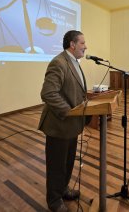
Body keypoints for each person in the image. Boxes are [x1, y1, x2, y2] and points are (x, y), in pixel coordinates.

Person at [38, 30, 90, 212]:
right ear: (72, 44)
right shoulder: (58, 62)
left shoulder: (74, 62)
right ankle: (54, 200)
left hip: (72, 125)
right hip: (59, 124)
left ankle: (63, 190)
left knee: (68, 162)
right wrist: (69, 112)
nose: (86, 46)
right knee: (57, 165)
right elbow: (48, 93)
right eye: (82, 43)